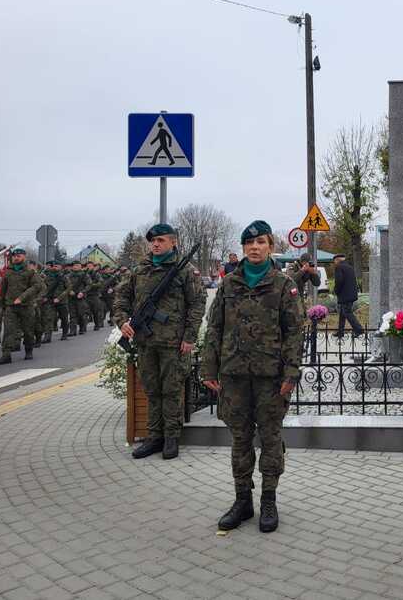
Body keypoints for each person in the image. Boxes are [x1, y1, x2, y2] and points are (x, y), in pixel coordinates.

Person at [201, 220, 305, 533]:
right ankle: (242, 500)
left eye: (261, 242)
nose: (255, 247)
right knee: (240, 439)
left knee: (271, 438)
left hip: (270, 378)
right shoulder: (229, 284)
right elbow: (215, 327)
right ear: (243, 248)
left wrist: (291, 372)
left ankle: (269, 500)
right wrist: (209, 367)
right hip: (234, 376)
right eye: (249, 243)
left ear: (271, 247)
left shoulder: (283, 285)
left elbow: (295, 332)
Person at [113, 224, 205, 460]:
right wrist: (122, 321)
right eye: (153, 241)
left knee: (171, 391)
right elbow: (121, 297)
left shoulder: (185, 271)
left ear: (173, 242)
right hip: (145, 341)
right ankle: (154, 437)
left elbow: (197, 305)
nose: (155, 244)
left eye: (161, 240)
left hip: (174, 343)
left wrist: (189, 337)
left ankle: (171, 438)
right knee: (152, 390)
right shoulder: (139, 270)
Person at [0, 248, 42, 365]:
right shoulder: (8, 272)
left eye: (19, 256)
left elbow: (37, 286)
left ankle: (28, 351)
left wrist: (22, 297)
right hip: (11, 306)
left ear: (24, 257)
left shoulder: (30, 272)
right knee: (8, 331)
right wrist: (1, 305)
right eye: (14, 256)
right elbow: (3, 289)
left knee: (28, 330)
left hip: (26, 306)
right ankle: (6, 355)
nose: (16, 257)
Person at [332, 253, 363, 339]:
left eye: (334, 261)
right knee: (343, 313)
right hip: (351, 294)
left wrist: (336, 291)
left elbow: (339, 281)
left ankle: (359, 329)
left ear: (337, 260)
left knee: (348, 312)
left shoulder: (339, 267)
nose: (334, 263)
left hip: (345, 295)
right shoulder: (350, 267)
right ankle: (340, 332)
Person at [41, 261, 71, 342]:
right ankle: (47, 336)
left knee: (64, 318)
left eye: (57, 266)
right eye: (54, 266)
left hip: (62, 301)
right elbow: (45, 288)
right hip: (50, 300)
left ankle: (64, 334)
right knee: (48, 318)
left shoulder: (64, 277)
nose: (55, 268)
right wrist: (44, 296)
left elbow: (68, 289)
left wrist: (59, 298)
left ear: (61, 267)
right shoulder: (48, 277)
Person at [84, 261, 104, 330]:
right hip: (86, 295)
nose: (89, 267)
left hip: (94, 295)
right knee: (85, 311)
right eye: (87, 266)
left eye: (90, 266)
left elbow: (101, 283)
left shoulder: (96, 274)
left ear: (93, 267)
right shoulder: (84, 274)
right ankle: (83, 327)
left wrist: (92, 285)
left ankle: (97, 325)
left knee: (95, 311)